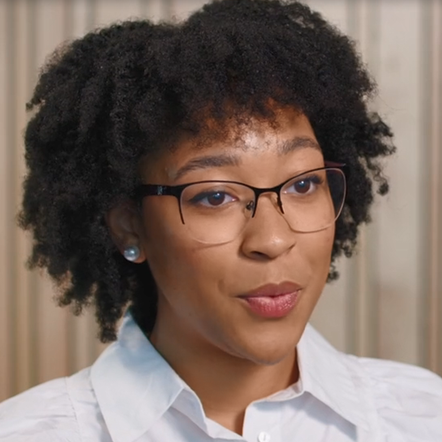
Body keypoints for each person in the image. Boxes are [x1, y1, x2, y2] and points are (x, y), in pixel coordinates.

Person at [1, 0, 441, 440]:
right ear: (128, 227)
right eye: (215, 196)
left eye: (303, 186)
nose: (271, 239)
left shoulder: (422, 417)